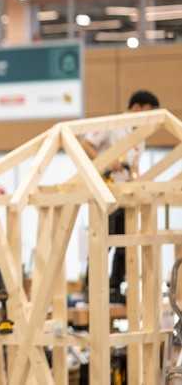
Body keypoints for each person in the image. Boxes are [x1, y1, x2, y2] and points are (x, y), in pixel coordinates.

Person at [81, 89, 160, 303]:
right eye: (147, 112)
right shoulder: (113, 125)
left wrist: (138, 180)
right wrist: (106, 160)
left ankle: (115, 289)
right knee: (102, 242)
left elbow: (134, 166)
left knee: (126, 245)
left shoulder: (140, 136)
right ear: (136, 108)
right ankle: (92, 288)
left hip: (127, 195)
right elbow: (86, 144)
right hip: (106, 191)